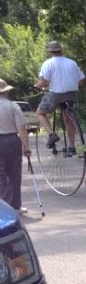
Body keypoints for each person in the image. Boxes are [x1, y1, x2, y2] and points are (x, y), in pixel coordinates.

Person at [35, 40, 85, 154]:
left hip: (56, 94)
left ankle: (52, 134)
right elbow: (81, 81)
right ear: (61, 50)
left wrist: (36, 86)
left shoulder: (48, 63)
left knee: (40, 113)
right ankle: (72, 147)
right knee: (68, 118)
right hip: (72, 94)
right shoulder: (72, 63)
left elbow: (44, 82)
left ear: (50, 52)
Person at [0, 79, 33, 214]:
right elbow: (22, 128)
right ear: (6, 92)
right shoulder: (13, 106)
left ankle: (3, 207)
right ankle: (15, 206)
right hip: (11, 140)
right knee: (14, 173)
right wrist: (27, 147)